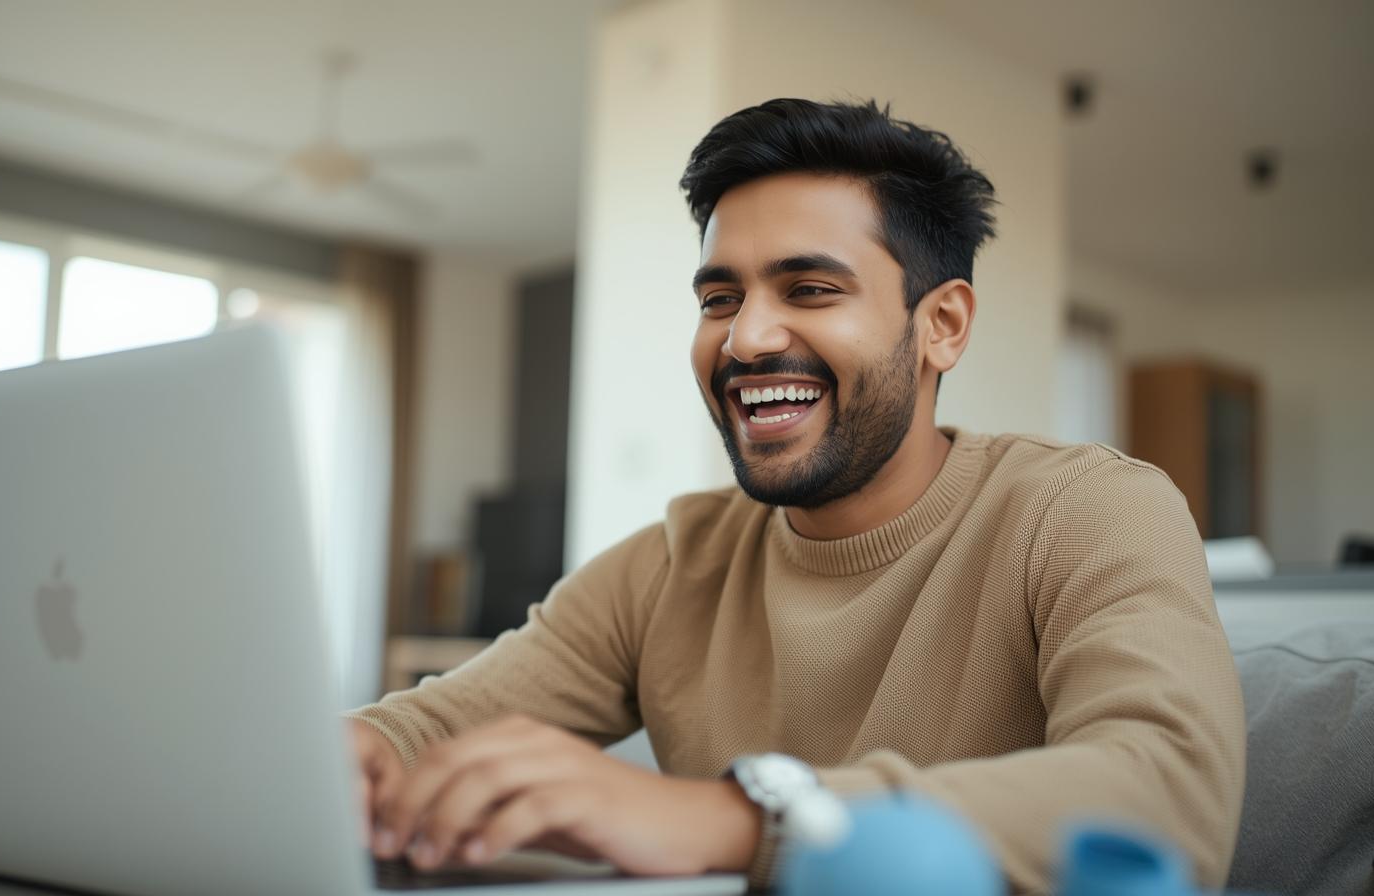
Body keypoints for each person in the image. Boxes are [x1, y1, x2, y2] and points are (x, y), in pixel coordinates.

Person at [345, 98, 1246, 893]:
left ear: (942, 325)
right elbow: (426, 729)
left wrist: (742, 821)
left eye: (810, 289)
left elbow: (1166, 797)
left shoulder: (1087, 511)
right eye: (719, 298)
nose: (745, 339)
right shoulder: (673, 561)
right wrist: (340, 766)